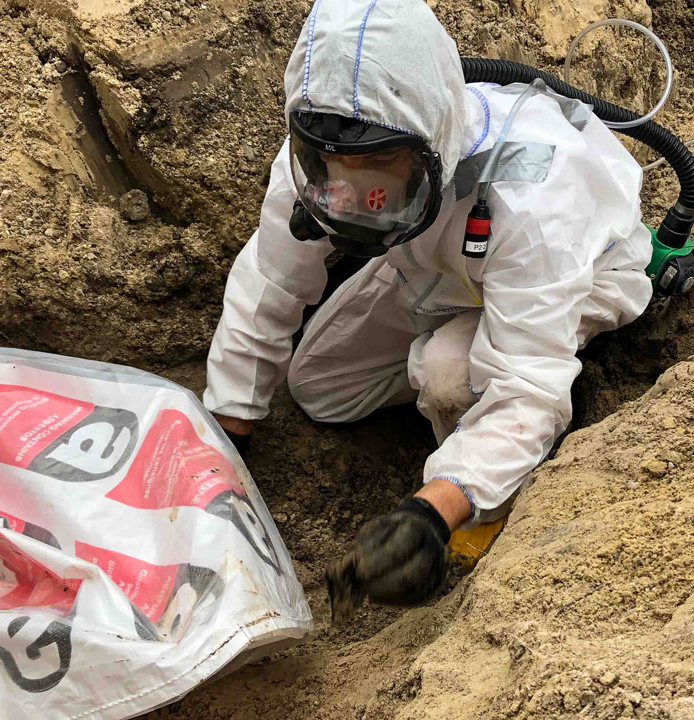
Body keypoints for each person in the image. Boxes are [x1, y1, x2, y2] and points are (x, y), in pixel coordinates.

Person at [202, 0, 653, 617]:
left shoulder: (534, 197)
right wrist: (228, 432)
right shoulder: (318, 150)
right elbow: (270, 282)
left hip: (572, 271)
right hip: (437, 267)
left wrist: (431, 511)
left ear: (431, 141)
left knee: (443, 374)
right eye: (334, 168)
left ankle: (483, 504)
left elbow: (526, 385)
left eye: (379, 165)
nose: (356, 189)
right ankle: (455, 381)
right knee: (319, 388)